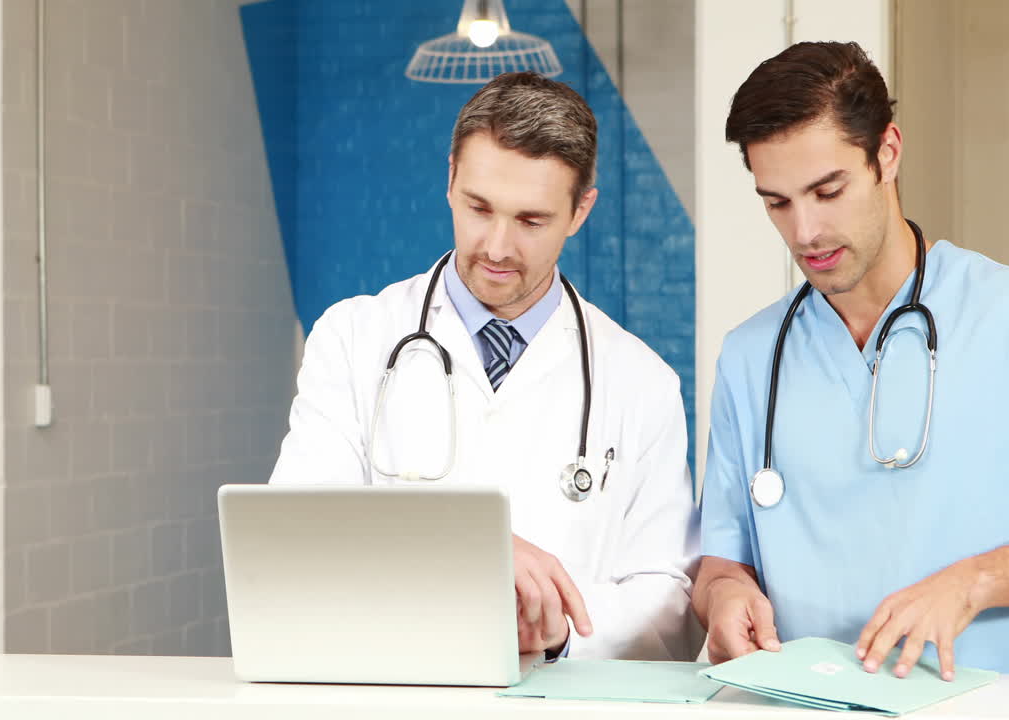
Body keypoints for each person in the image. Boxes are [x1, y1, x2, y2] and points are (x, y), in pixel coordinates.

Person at [269, 72, 702, 661]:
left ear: (580, 211)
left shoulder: (641, 381)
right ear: (450, 179)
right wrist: (476, 551)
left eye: (531, 221)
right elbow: (296, 535)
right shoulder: (353, 338)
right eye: (479, 208)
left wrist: (560, 629)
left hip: (560, 697)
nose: (497, 247)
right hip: (392, 686)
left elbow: (669, 601)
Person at [695, 41, 1009, 679]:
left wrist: (974, 582)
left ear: (886, 153)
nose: (804, 232)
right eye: (777, 202)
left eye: (827, 190)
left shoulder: (999, 316)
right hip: (803, 703)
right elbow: (722, 563)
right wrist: (725, 595)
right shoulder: (753, 357)